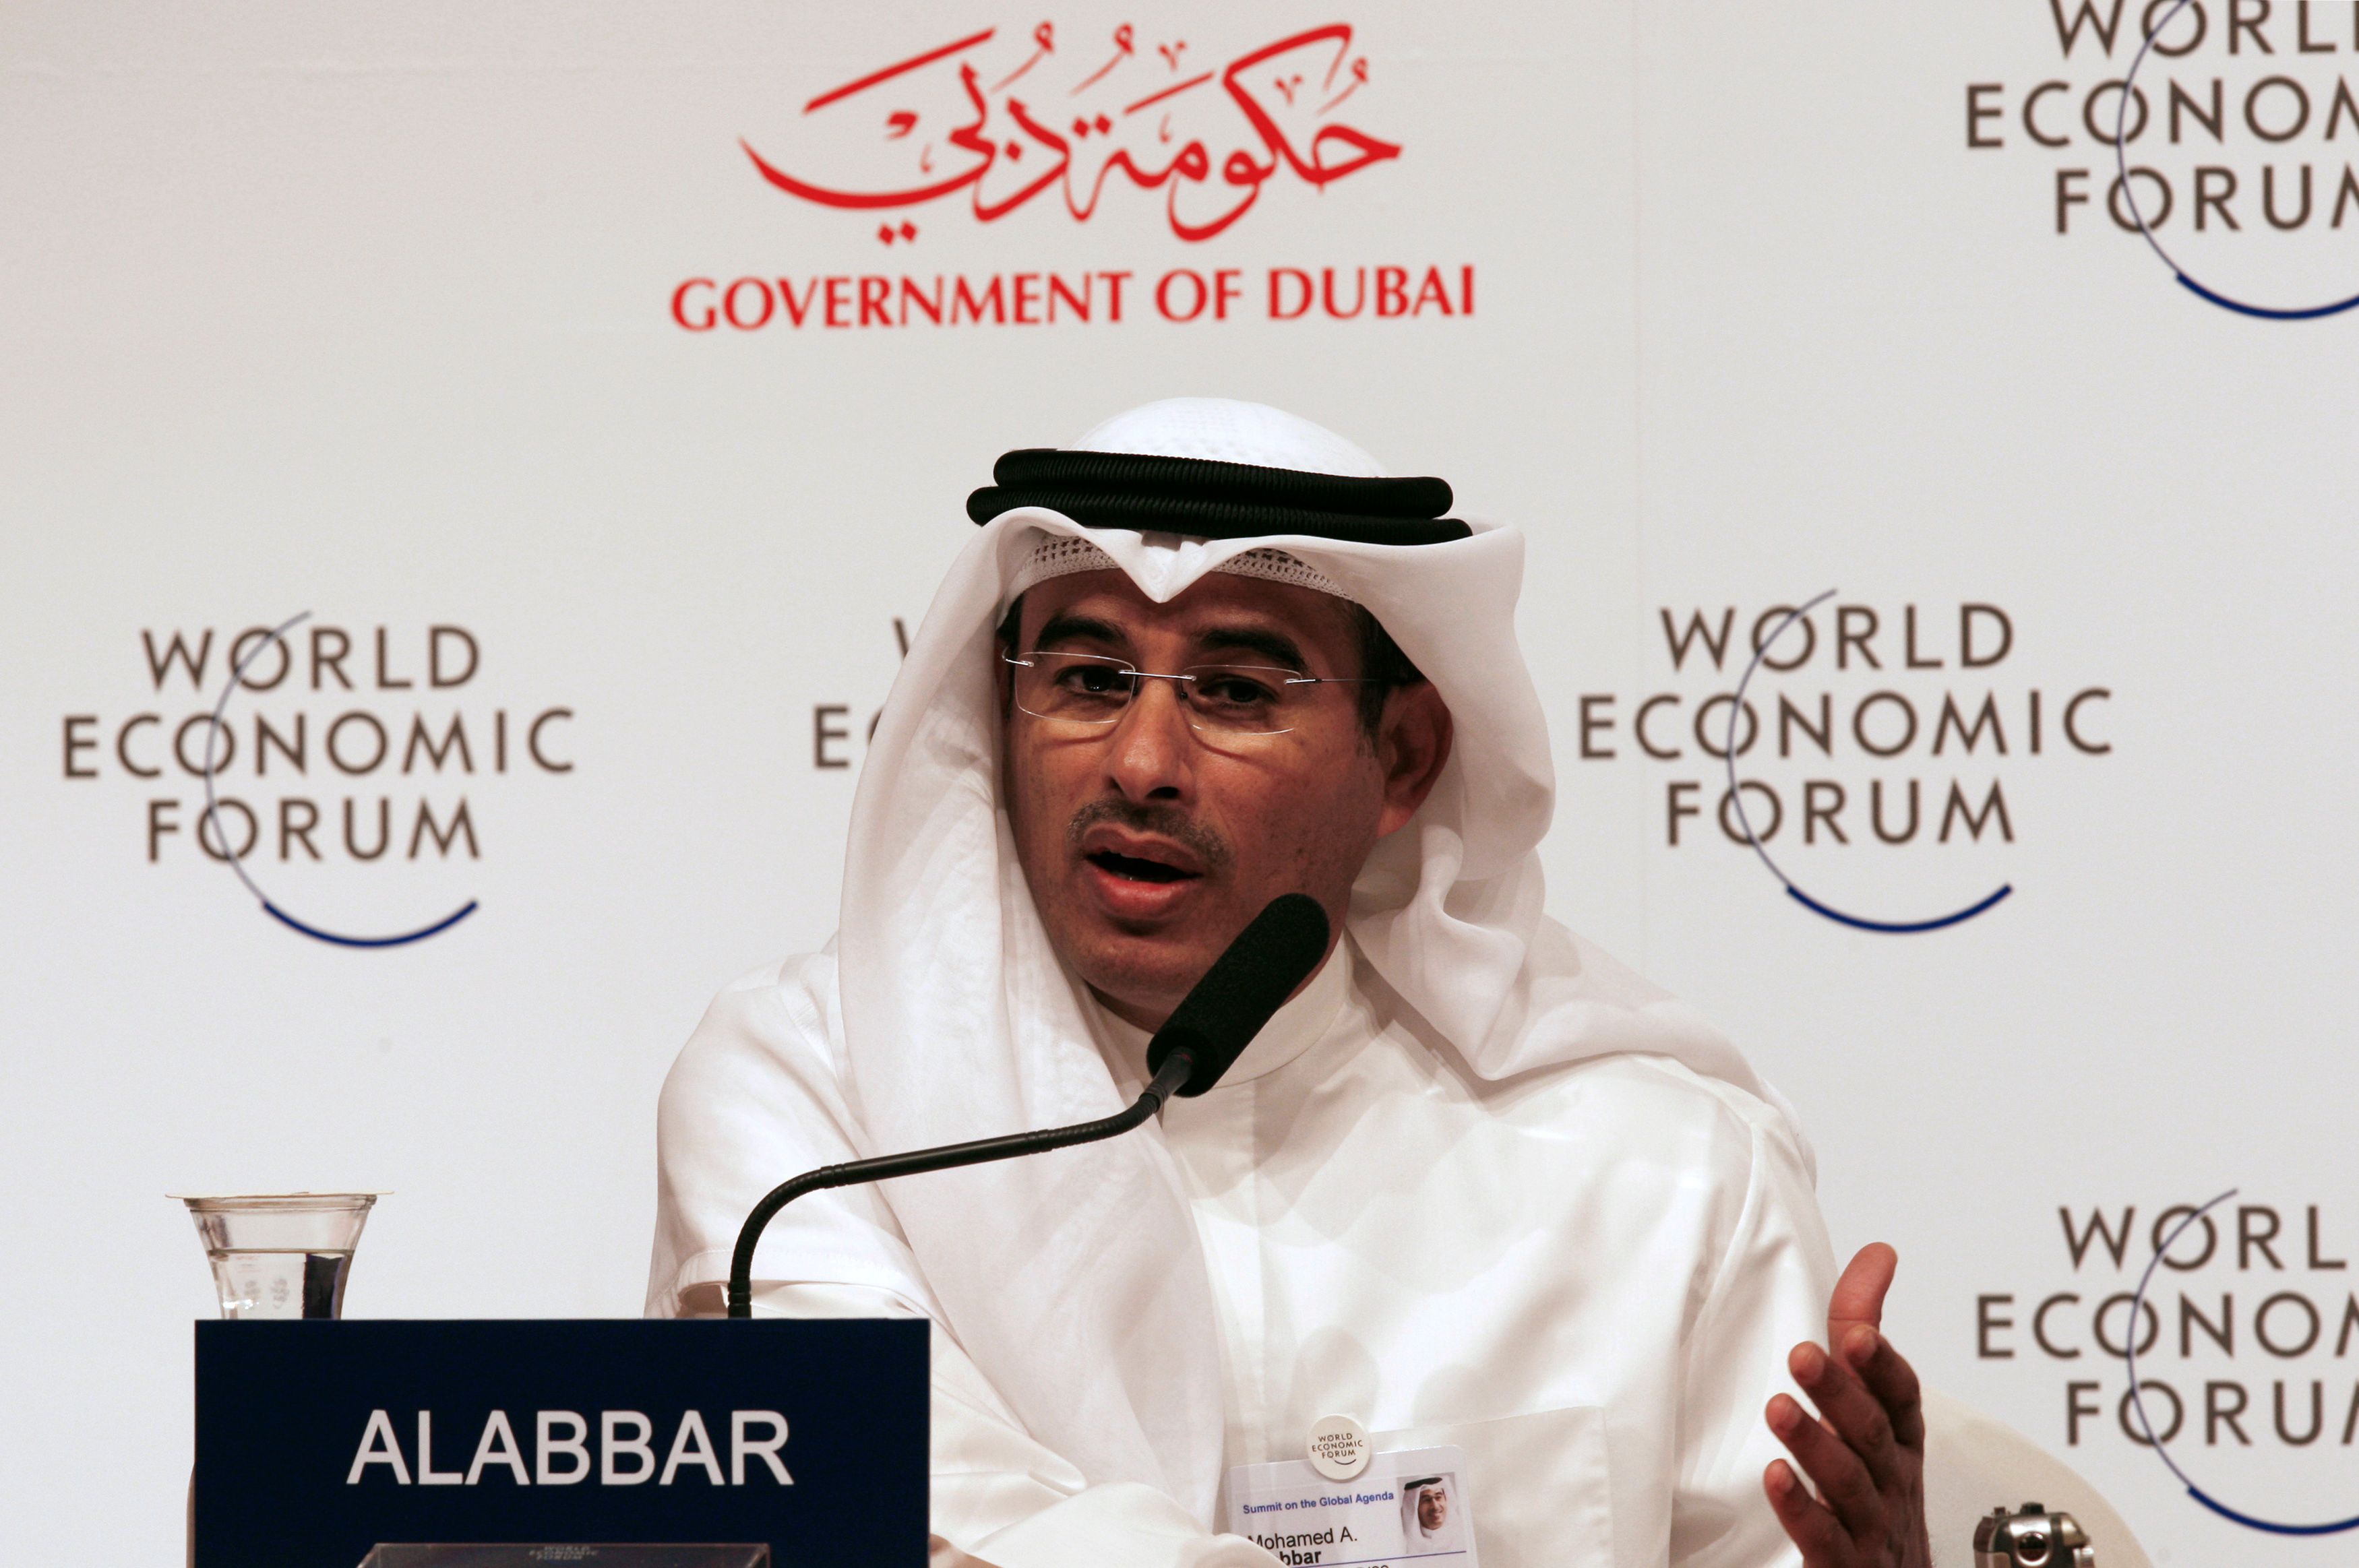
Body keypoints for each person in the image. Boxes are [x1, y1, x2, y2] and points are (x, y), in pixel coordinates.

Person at [648, 398, 1932, 1568]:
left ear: (1403, 758)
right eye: (1088, 681)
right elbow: (912, 1515)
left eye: (1234, 691)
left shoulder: (1663, 1175)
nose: (1141, 761)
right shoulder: (816, 1101)